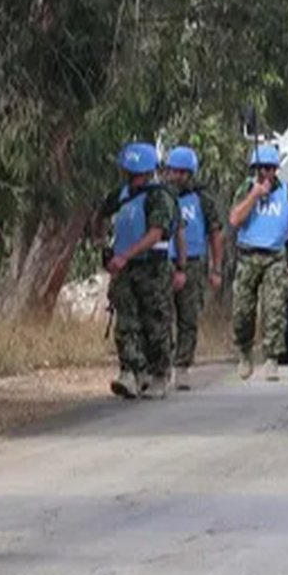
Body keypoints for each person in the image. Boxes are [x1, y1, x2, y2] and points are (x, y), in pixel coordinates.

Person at [93, 142, 178, 400]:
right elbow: (100, 215)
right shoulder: (120, 195)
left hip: (153, 268)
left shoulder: (159, 196)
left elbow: (155, 233)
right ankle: (130, 372)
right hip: (125, 270)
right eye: (130, 174)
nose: (134, 179)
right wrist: (102, 243)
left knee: (155, 323)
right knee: (126, 323)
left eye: (138, 174)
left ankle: (159, 375)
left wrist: (125, 255)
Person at [228, 144, 288, 382]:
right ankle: (244, 352)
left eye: (268, 168)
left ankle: (272, 358)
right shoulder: (245, 189)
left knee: (275, 309)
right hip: (248, 256)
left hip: (275, 256)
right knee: (242, 311)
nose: (264, 173)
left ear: (275, 170)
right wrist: (254, 195)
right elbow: (234, 219)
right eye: (260, 168)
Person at [163, 146, 224, 391]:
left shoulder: (202, 199)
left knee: (188, 318)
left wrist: (216, 268)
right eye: (172, 171)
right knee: (161, 316)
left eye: (181, 173)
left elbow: (216, 233)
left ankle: (182, 367)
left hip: (194, 264)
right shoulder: (161, 197)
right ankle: (161, 365)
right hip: (163, 263)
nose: (175, 177)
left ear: (190, 174)